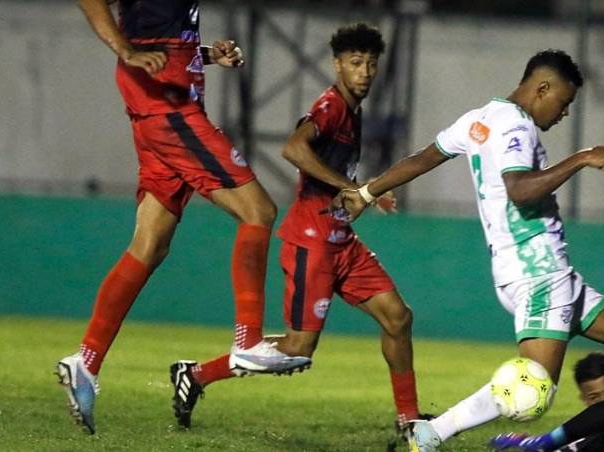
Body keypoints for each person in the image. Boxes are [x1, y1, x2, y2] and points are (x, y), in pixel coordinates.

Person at [339, 49, 604, 451]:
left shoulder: (480, 118)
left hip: (544, 272)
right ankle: (432, 433)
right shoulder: (517, 128)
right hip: (538, 275)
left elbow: (424, 158)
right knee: (535, 385)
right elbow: (520, 191)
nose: (564, 113)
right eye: (564, 102)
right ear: (542, 88)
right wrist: (582, 158)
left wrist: (367, 190)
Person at [57, 0, 308, 435]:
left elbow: (159, 39)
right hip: (171, 117)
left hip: (160, 120)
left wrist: (206, 55)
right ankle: (247, 342)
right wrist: (122, 49)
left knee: (150, 245)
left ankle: (87, 361)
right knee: (260, 212)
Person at [169, 23, 425, 433]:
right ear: (337, 65)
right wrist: (355, 187)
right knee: (297, 348)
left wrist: (360, 190)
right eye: (356, 63)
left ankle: (409, 419)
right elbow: (293, 148)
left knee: (398, 317)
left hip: (342, 241)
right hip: (312, 243)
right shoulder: (331, 106)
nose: (365, 72)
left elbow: (336, 173)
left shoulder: (352, 113)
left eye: (372, 65)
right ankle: (196, 374)